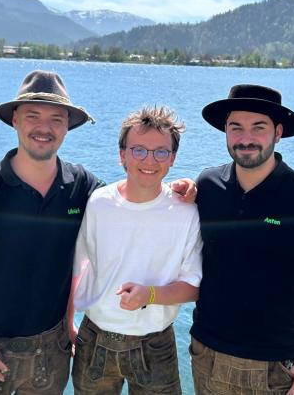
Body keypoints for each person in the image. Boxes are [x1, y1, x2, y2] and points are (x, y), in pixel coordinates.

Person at [0, 71, 195, 395]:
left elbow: (133, 196)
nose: (44, 128)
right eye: (33, 116)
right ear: (15, 120)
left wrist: (183, 189)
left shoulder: (82, 187)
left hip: (53, 349)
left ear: (67, 127)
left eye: (56, 119)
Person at [190, 84, 294, 395]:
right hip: (207, 353)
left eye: (258, 128)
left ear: (278, 132)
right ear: (225, 131)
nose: (245, 138)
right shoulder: (206, 186)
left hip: (276, 366)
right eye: (236, 127)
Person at [71, 106, 203, 395]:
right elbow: (79, 267)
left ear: (172, 159)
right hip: (94, 339)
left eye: (160, 152)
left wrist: (150, 295)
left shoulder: (187, 211)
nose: (149, 160)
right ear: (122, 155)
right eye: (139, 150)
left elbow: (194, 287)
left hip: (155, 344)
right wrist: (69, 320)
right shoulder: (98, 203)